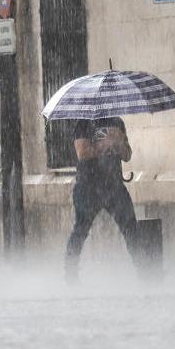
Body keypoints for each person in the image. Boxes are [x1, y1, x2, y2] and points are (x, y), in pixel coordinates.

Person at [64, 117, 139, 283]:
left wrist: (118, 143)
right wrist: (105, 144)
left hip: (114, 186)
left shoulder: (117, 123)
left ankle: (145, 271)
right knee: (81, 230)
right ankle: (70, 274)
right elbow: (82, 153)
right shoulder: (83, 123)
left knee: (131, 228)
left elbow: (127, 155)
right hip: (88, 186)